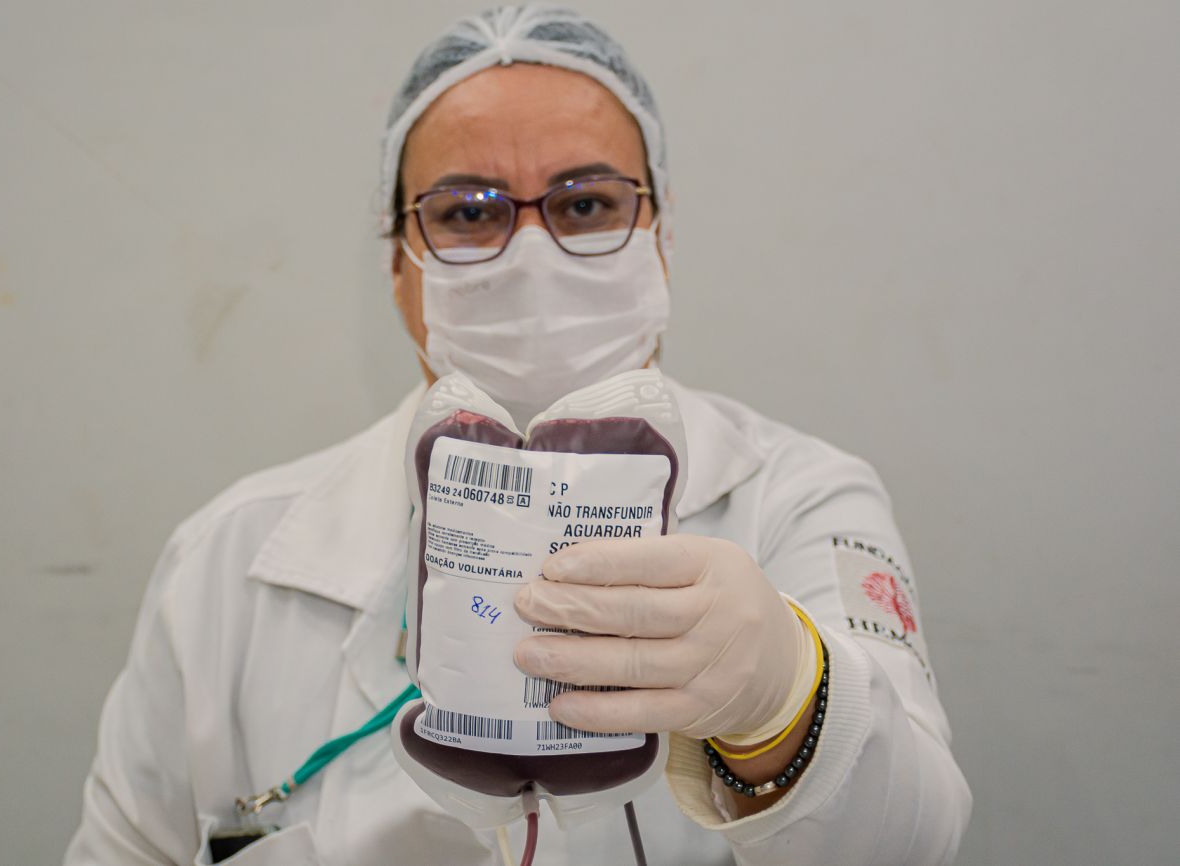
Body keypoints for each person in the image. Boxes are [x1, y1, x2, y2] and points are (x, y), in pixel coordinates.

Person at [65, 5, 971, 864]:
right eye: (468, 211)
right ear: (398, 267)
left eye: (587, 204)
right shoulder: (226, 566)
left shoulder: (798, 499)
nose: (532, 255)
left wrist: (783, 700)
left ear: (660, 240)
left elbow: (912, 841)